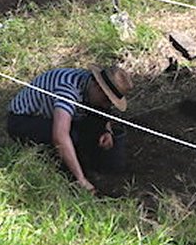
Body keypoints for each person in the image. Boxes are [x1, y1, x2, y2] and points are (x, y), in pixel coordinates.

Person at [7, 65, 133, 194]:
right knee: (71, 137)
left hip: (55, 115)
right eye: (106, 99)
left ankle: (86, 165)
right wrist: (81, 179)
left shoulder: (89, 84)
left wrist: (107, 131)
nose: (107, 104)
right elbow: (60, 137)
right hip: (23, 120)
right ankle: (69, 177)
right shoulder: (68, 90)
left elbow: (101, 112)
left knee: (96, 118)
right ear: (98, 87)